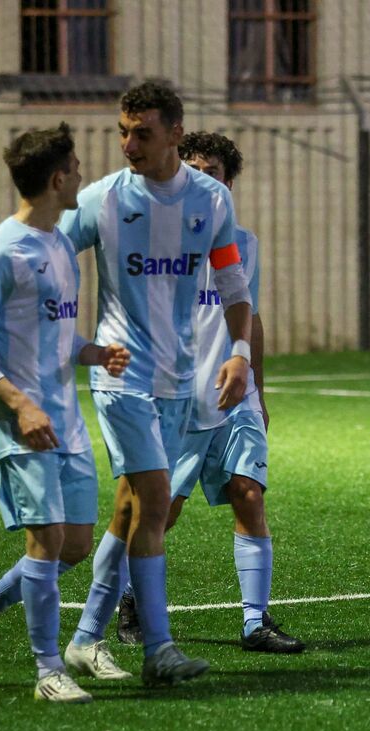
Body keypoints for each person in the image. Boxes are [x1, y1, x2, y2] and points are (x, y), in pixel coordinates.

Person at [60, 81, 254, 687]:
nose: (128, 145)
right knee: (154, 499)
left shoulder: (211, 200)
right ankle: (158, 649)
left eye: (141, 133)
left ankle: (41, 625)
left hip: (177, 379)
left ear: (174, 133)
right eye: (122, 132)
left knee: (129, 510)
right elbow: (43, 251)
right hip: (121, 376)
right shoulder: (104, 198)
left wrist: (241, 353)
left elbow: (233, 284)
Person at [0, 123, 131, 703]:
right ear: (57, 179)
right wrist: (20, 403)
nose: (81, 176)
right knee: (47, 540)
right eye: (74, 168)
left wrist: (93, 352)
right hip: (22, 424)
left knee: (74, 545)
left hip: (65, 419)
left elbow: (51, 332)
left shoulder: (59, 245)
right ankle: (48, 670)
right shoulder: (1, 250)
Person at [113, 131, 303, 653]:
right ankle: (129, 598)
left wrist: (258, 389)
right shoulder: (157, 240)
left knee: (249, 494)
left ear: (228, 183)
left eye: (211, 172)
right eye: (191, 171)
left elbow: (249, 318)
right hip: (177, 398)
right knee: (161, 511)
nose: (200, 181)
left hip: (234, 396)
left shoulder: (244, 244)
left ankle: (255, 621)